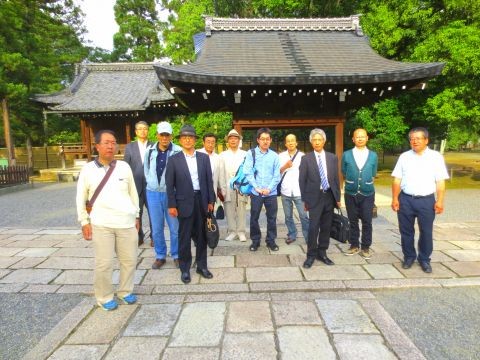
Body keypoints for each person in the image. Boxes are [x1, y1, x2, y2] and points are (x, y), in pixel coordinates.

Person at [76, 130, 139, 311]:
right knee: (104, 263)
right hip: (101, 223)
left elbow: (133, 193)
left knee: (129, 260)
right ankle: (104, 296)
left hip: (126, 222)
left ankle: (125, 291)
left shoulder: (124, 167)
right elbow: (80, 197)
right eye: (106, 142)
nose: (111, 146)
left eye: (113, 142)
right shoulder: (88, 169)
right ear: (97, 146)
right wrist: (84, 221)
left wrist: (136, 214)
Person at [391, 127, 449, 273]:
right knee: (406, 231)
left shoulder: (436, 157)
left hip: (426, 201)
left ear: (426, 140)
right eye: (412, 139)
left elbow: (440, 182)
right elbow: (397, 179)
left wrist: (440, 200)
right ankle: (409, 256)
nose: (414, 141)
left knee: (426, 231)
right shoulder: (404, 156)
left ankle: (424, 259)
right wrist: (394, 198)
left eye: (418, 138)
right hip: (406, 199)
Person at [166, 124, 216, 284]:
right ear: (180, 140)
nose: (187, 140)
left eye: (190, 137)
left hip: (201, 200)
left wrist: (211, 201)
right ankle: (185, 268)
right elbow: (169, 185)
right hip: (183, 202)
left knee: (202, 236)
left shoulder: (203, 158)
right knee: (184, 236)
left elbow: (209, 180)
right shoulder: (174, 160)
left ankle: (202, 266)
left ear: (195, 140)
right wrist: (172, 205)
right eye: (184, 137)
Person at [299, 128, 341, 268]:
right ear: (311, 142)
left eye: (319, 139)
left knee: (326, 227)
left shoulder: (332, 157)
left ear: (324, 141)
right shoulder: (306, 159)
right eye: (314, 140)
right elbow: (302, 181)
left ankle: (322, 252)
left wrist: (338, 198)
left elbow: (335, 179)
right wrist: (305, 200)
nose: (317, 142)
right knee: (313, 227)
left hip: (329, 196)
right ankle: (311, 255)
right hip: (314, 198)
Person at [144, 121, 182, 269]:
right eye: (162, 135)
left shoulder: (177, 151)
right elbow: (146, 169)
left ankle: (177, 254)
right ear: (157, 135)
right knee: (157, 227)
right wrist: (151, 182)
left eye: (167, 135)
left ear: (171, 135)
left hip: (171, 193)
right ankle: (160, 255)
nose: (165, 138)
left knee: (174, 227)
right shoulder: (150, 151)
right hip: (152, 192)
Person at [341, 128, 378, 259]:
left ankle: (366, 247)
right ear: (353, 139)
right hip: (350, 193)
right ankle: (354, 245)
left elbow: (373, 174)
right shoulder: (346, 154)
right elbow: (344, 171)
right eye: (357, 137)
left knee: (367, 221)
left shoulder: (373, 155)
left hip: (367, 193)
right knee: (353, 220)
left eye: (363, 136)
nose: (360, 139)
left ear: (367, 138)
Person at [243, 127, 281, 252]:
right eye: (262, 139)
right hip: (256, 192)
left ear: (270, 141)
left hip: (271, 193)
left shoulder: (275, 156)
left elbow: (277, 175)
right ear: (258, 140)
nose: (265, 141)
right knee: (254, 217)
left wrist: (269, 189)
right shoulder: (251, 153)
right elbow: (247, 172)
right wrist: (257, 187)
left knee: (272, 218)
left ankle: (271, 241)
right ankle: (255, 241)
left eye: (267, 139)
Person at [123, 121, 153, 246]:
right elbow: (126, 166)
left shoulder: (154, 145)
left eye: (145, 129)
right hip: (135, 185)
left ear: (148, 131)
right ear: (135, 132)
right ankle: (139, 236)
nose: (143, 131)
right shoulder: (130, 147)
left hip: (151, 185)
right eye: (140, 129)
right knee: (137, 213)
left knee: (153, 213)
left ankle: (154, 237)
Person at [278, 134, 309, 244]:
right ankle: (292, 234)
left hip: (299, 191)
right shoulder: (281, 156)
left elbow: (307, 174)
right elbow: (277, 172)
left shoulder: (303, 156)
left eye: (293, 141)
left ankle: (308, 236)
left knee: (303, 216)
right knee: (288, 216)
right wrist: (285, 166)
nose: (290, 143)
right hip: (285, 190)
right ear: (285, 143)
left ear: (296, 143)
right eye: (288, 141)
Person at [218, 129, 248, 242]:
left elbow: (248, 171)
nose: (233, 140)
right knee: (229, 209)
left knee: (241, 208)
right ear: (228, 141)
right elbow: (220, 172)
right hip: (227, 183)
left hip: (241, 185)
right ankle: (232, 231)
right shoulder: (222, 155)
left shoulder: (245, 154)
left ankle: (241, 231)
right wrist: (222, 188)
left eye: (235, 138)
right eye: (231, 138)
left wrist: (247, 187)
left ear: (239, 140)